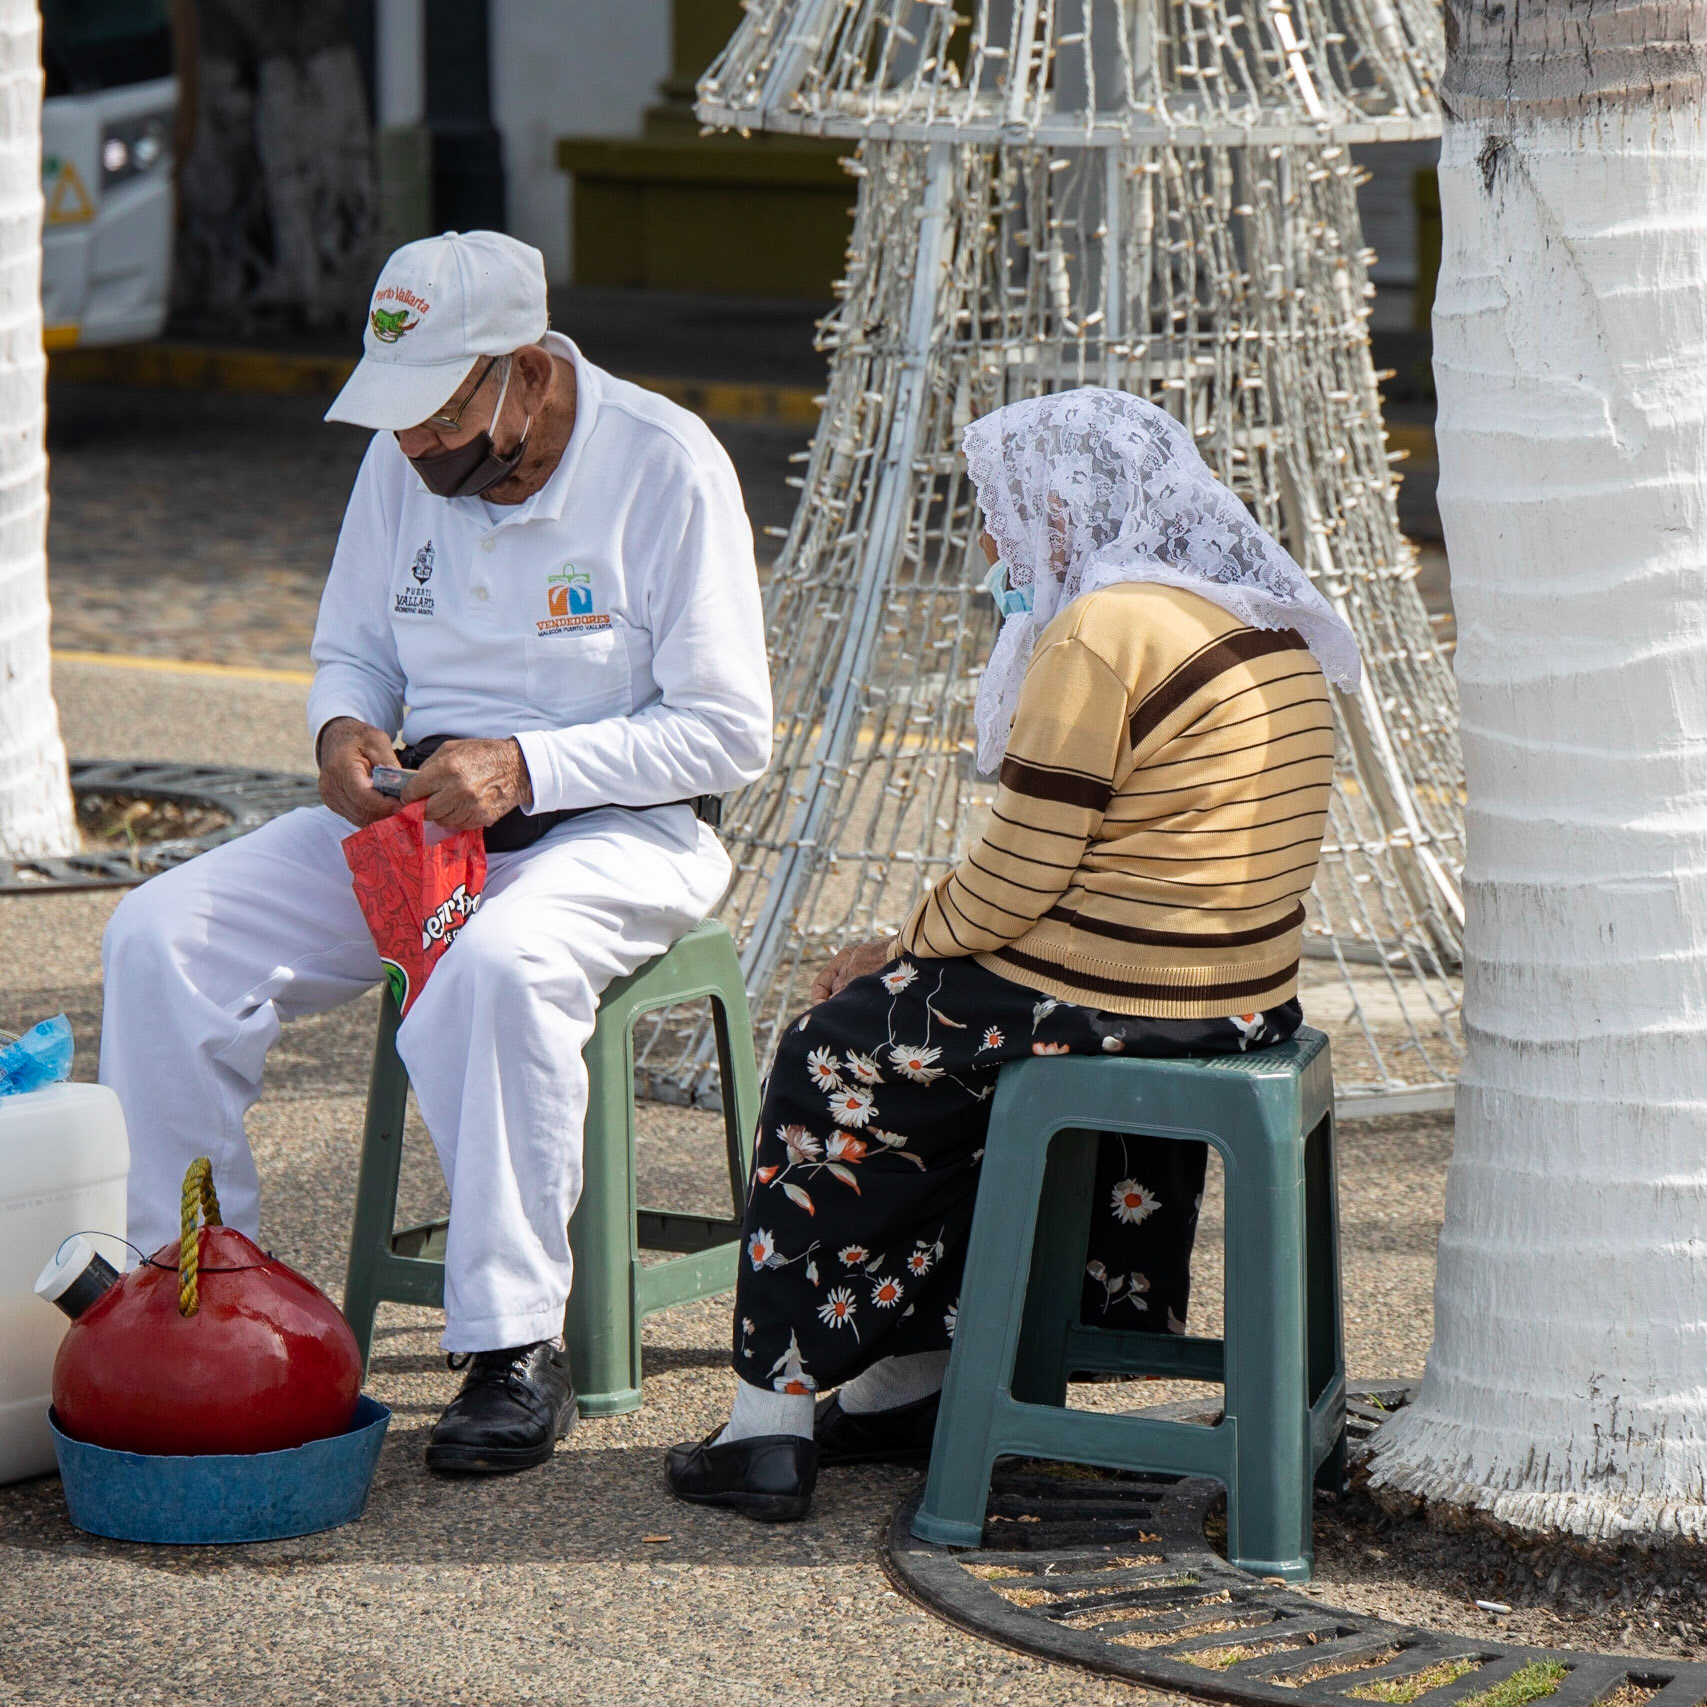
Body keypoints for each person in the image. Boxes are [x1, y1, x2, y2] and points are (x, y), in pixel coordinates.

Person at [99, 231, 772, 1474]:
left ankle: (515, 1346)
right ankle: (191, 1286)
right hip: (417, 828)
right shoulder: (401, 460)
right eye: (398, 415)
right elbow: (353, 649)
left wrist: (527, 766)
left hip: (614, 832)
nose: (414, 443)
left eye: (439, 413)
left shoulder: (665, 464)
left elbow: (728, 734)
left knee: (498, 967)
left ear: (523, 370)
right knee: (159, 937)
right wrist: (341, 729)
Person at [664, 387, 1361, 1521]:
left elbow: (1020, 875)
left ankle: (767, 1425)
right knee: (959, 1071)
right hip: (1242, 995)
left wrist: (892, 951)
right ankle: (911, 1382)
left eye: (1001, 515)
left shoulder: (1105, 629)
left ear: (1062, 511)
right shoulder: (1257, 616)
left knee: (829, 1052)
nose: (992, 544)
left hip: (1122, 986)